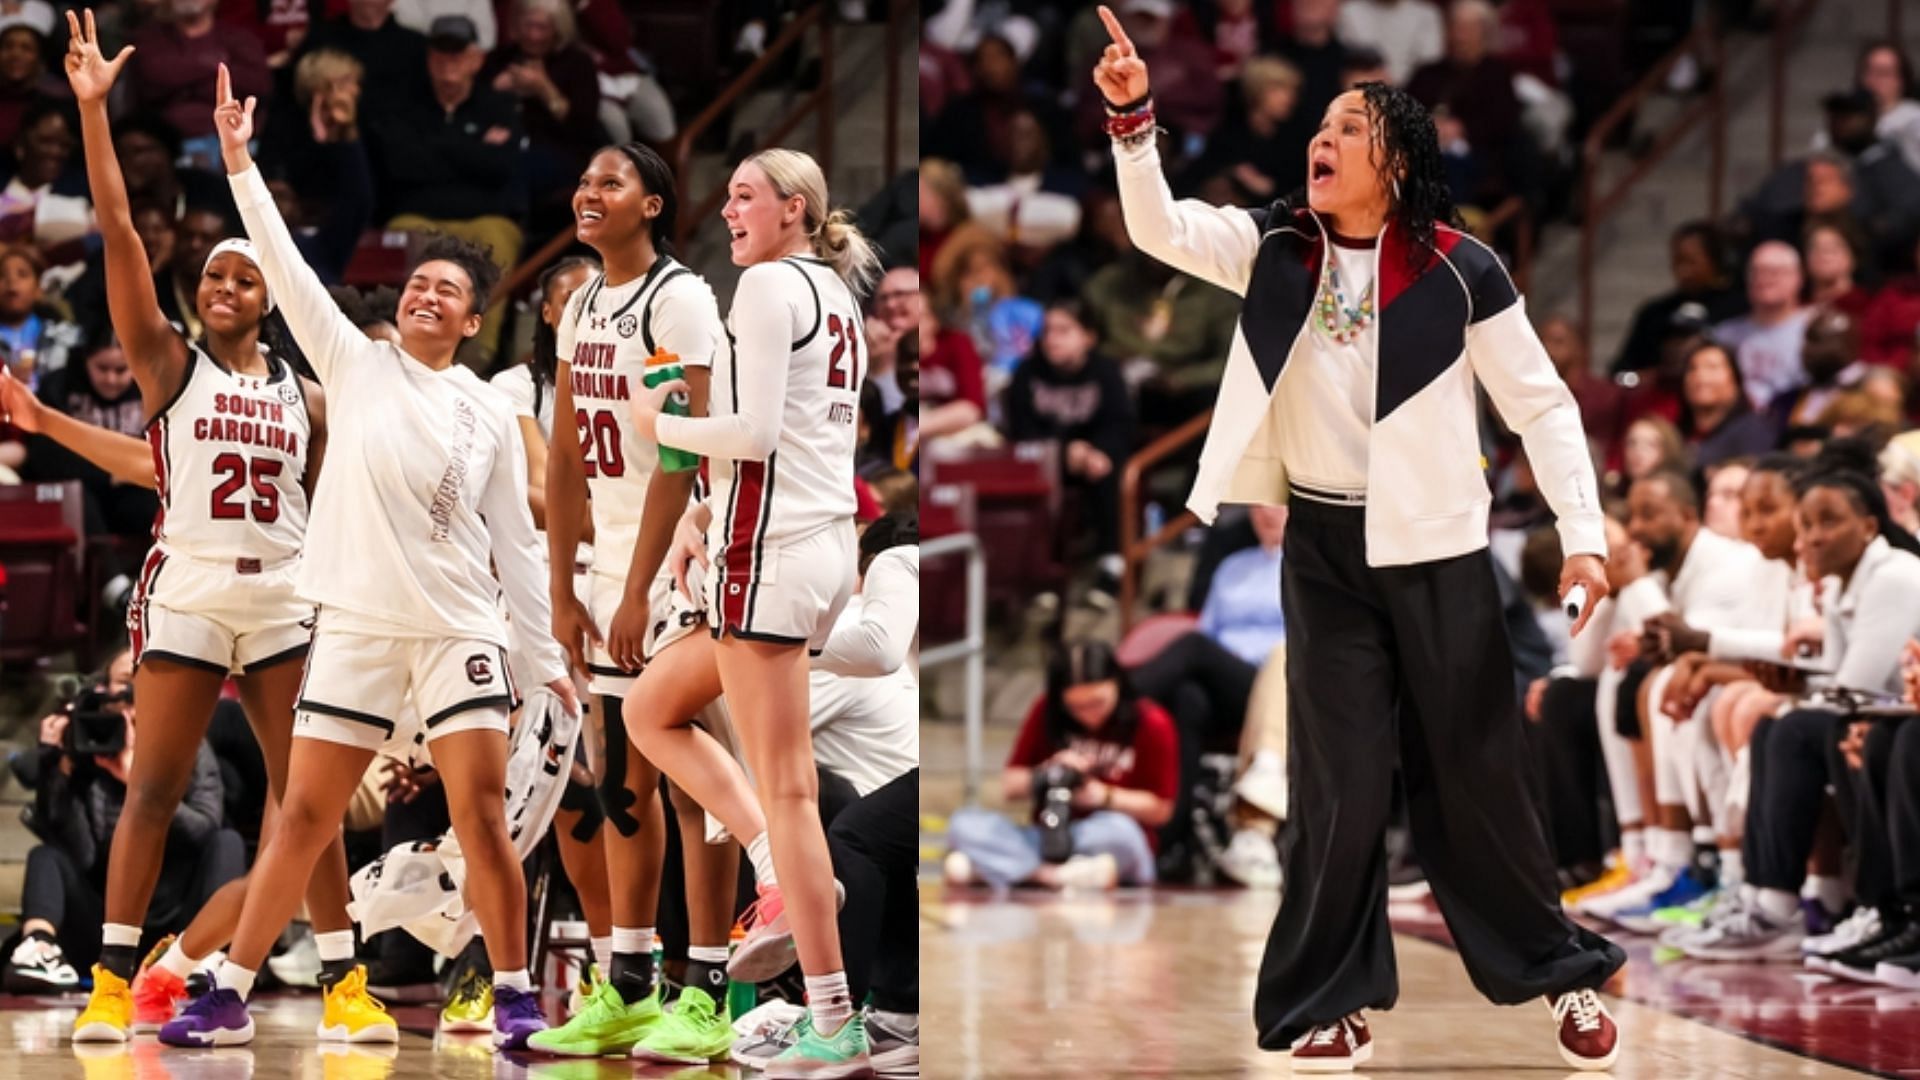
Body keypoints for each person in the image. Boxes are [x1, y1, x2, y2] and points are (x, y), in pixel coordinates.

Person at [1092, 8, 1625, 1071]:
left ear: (1396, 159)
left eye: (1348, 125)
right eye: (1320, 124)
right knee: (1335, 786)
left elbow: (1546, 408)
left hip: (1439, 555)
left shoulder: (1461, 267)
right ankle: (1330, 1001)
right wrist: (1131, 120)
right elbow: (1158, 228)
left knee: (1476, 775)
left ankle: (1560, 973)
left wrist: (1583, 536)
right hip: (1325, 554)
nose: (1321, 140)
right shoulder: (1273, 248)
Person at [157, 62, 572, 1052]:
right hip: (353, 625)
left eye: (449, 291)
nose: (429, 295)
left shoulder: (493, 408)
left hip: (459, 632)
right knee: (302, 817)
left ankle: (513, 991)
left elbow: (518, 550)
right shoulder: (354, 359)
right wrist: (239, 162)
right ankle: (228, 988)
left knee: (480, 814)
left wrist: (546, 662)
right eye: (420, 284)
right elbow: (286, 267)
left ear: (474, 322)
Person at [49, 14, 369, 1047]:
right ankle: (109, 978)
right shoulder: (166, 361)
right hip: (187, 588)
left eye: (244, 277)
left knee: (304, 801)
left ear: (271, 296)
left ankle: (343, 981)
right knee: (153, 791)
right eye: (215, 276)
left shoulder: (307, 396)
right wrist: (94, 112)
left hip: (281, 594)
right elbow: (118, 227)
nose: (223, 285)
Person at [622, 146, 880, 1076]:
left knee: (791, 790)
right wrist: (702, 506)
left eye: (746, 195)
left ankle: (832, 1013)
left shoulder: (770, 288)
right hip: (815, 545)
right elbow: (795, 434)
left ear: (796, 208)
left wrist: (663, 430)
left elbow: (758, 435)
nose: (728, 210)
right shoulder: (834, 293)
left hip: (770, 555)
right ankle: (774, 872)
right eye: (725, 195)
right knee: (650, 708)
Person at [532, 142, 740, 1064]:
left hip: (679, 560)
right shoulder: (581, 303)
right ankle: (627, 981)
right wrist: (563, 587)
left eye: (609, 182)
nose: (589, 192)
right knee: (622, 784)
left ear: (652, 205)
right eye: (584, 181)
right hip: (605, 566)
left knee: (693, 785)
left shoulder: (679, 297)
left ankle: (709, 988)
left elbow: (682, 453)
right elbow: (569, 454)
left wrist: (635, 586)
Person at [5, 655, 245, 995]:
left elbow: (204, 831)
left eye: (141, 681)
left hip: (180, 921)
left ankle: (207, 955)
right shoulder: (87, 745)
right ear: (104, 689)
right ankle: (39, 949)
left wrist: (143, 785)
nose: (133, 692)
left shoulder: (187, 741)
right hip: (106, 924)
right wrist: (60, 769)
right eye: (124, 682)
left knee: (227, 842)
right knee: (46, 855)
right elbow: (82, 855)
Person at [946, 639, 1175, 891]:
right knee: (964, 824)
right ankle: (1052, 876)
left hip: (1102, 836)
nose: (1088, 714)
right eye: (1076, 707)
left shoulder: (1152, 722)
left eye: (1098, 702)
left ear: (1118, 684)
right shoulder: (1047, 711)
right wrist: (1048, 771)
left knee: (1123, 834)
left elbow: (1162, 810)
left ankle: (998, 870)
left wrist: (1104, 796)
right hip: (1047, 837)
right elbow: (1010, 786)